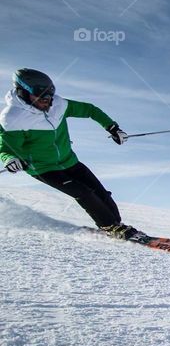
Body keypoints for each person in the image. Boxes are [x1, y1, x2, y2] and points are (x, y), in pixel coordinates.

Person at [0, 68, 142, 239]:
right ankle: (109, 226)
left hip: (69, 161)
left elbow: (90, 110)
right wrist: (10, 159)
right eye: (41, 97)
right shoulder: (13, 118)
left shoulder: (59, 106)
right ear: (22, 92)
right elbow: (6, 148)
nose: (47, 101)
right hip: (42, 168)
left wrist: (112, 128)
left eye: (49, 96)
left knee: (100, 192)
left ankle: (116, 225)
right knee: (83, 192)